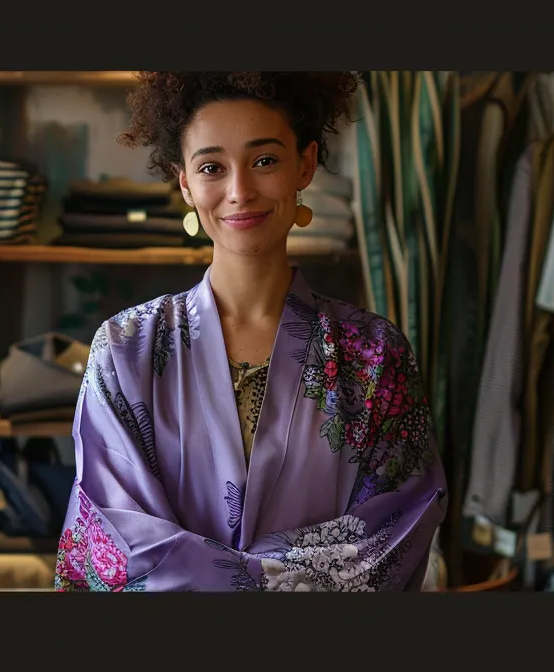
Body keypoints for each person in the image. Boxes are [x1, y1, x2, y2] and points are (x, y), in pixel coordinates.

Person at [53, 72, 448, 592]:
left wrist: (225, 578)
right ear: (185, 183)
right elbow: (112, 543)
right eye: (212, 167)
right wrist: (270, 581)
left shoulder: (373, 355)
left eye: (264, 161)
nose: (240, 191)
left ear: (304, 165)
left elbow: (396, 531)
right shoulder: (125, 350)